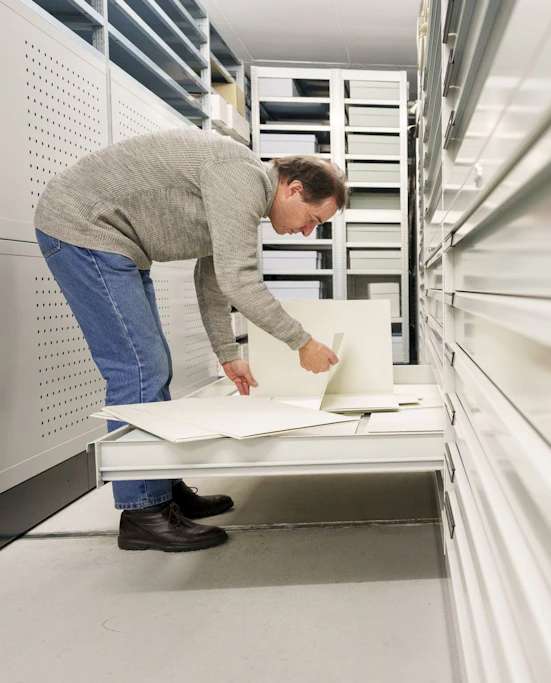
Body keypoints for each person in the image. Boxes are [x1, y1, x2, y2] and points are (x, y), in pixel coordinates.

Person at [34, 129, 348, 552]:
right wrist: (302, 342)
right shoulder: (241, 178)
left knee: (151, 363)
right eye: (313, 219)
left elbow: (215, 277)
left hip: (116, 242)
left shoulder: (243, 196)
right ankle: (144, 512)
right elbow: (240, 280)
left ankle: (161, 487)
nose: (308, 233)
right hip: (83, 226)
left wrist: (228, 354)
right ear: (293, 190)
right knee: (141, 366)